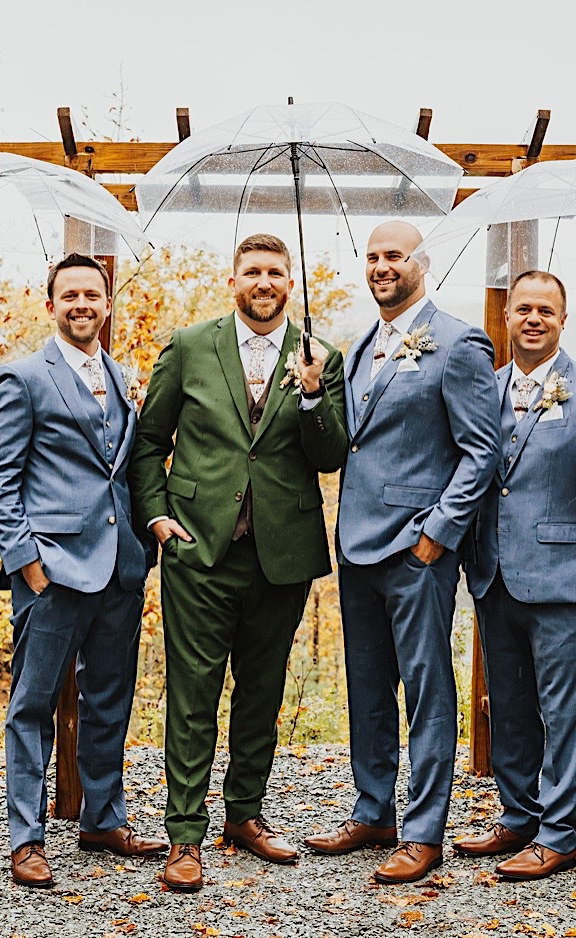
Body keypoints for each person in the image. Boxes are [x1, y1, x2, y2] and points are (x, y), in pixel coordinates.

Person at [130, 233, 349, 892]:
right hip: (199, 549)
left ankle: (245, 816)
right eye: (252, 271)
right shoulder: (190, 346)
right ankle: (185, 834)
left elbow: (331, 453)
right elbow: (148, 440)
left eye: (275, 272)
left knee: (262, 692)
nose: (263, 281)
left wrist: (311, 395)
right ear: (233, 281)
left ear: (289, 283)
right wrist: (159, 517)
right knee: (193, 695)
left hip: (280, 554)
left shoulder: (321, 357)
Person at [304, 221, 499, 884]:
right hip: (357, 544)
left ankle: (423, 831)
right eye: (373, 256)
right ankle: (373, 810)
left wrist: (437, 534)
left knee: (426, 691)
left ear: (422, 262)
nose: (382, 266)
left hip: (417, 549)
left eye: (395, 255)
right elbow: (351, 444)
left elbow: (482, 451)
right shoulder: (359, 345)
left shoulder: (459, 342)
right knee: (366, 688)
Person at [0, 253, 164, 889]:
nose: (83, 304)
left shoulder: (120, 376)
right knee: (31, 705)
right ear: (50, 304)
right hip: (52, 570)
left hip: (119, 569)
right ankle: (26, 839)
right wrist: (26, 563)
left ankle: (102, 818)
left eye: (94, 294)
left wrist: (144, 547)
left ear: (106, 304)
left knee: (108, 698)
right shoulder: (23, 376)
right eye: (71, 295)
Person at [454, 270, 576, 880]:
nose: (533, 318)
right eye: (523, 309)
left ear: (563, 319)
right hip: (493, 571)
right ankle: (517, 817)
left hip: (564, 575)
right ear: (507, 318)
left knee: (564, 713)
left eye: (545, 311)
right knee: (508, 705)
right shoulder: (485, 387)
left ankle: (558, 835)